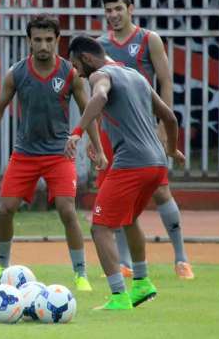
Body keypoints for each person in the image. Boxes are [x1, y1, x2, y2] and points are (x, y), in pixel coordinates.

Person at [0, 15, 106, 292]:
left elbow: (89, 109)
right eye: (38, 40)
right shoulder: (17, 73)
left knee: (67, 210)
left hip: (59, 154)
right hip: (24, 154)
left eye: (49, 40)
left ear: (58, 41)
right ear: (29, 41)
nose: (44, 45)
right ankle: (1, 267)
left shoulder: (70, 73)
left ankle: (80, 273)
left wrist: (94, 143)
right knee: (5, 209)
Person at [66, 35, 186, 310]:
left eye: (76, 65)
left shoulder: (101, 75)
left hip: (132, 163)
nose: (77, 73)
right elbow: (169, 116)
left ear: (86, 59)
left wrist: (76, 133)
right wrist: (171, 150)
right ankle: (142, 283)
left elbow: (99, 96)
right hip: (156, 164)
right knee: (128, 219)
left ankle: (119, 296)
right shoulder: (135, 75)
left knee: (99, 227)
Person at [95, 0, 194, 279]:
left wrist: (165, 126)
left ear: (131, 8)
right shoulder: (101, 45)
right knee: (117, 195)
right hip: (111, 133)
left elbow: (165, 82)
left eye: (118, 9)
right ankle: (124, 263)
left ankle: (181, 258)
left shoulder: (149, 40)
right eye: (108, 11)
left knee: (161, 191)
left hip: (143, 130)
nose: (113, 15)